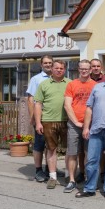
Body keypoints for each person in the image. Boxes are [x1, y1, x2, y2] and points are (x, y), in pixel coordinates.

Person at [76, 63, 105, 199]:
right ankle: (89, 188)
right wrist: (86, 127)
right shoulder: (97, 87)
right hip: (96, 129)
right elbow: (89, 108)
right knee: (91, 161)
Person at [34, 60, 72, 189]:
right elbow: (38, 104)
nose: (59, 70)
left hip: (67, 121)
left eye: (62, 68)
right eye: (56, 68)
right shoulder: (44, 84)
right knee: (51, 149)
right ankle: (52, 176)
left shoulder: (70, 83)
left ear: (65, 69)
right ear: (52, 69)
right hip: (48, 121)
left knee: (69, 150)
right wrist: (38, 122)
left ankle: (68, 174)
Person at [63, 60, 96, 193]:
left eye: (86, 69)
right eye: (81, 68)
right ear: (78, 69)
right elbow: (67, 105)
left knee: (90, 154)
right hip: (74, 124)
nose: (84, 71)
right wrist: (76, 122)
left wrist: (88, 124)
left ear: (90, 70)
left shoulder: (95, 85)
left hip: (91, 124)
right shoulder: (72, 84)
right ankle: (72, 180)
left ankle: (89, 179)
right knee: (72, 153)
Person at [27, 55, 53, 182]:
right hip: (41, 117)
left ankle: (50, 169)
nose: (48, 65)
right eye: (46, 63)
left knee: (51, 144)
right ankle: (38, 170)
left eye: (50, 63)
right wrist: (33, 117)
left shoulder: (55, 77)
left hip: (53, 117)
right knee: (39, 144)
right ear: (41, 65)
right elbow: (31, 99)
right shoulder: (36, 79)